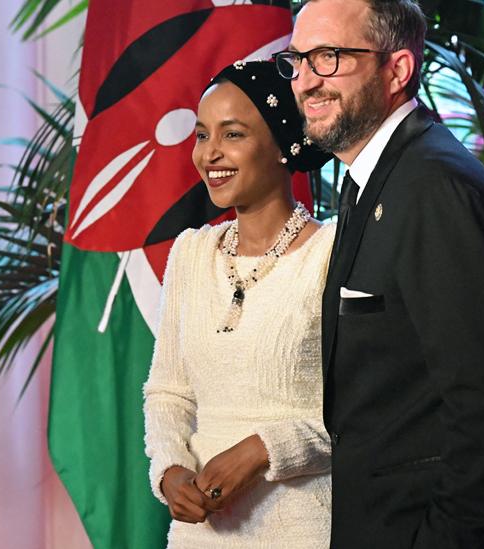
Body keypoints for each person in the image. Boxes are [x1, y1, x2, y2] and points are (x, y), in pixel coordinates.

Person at [274, 0, 484, 547]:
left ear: (398, 69)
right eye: (297, 60)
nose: (306, 81)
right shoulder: (374, 181)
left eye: (329, 57)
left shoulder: (437, 189)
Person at [142, 60, 333, 549]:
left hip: (304, 530)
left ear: (282, 145)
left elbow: (366, 411)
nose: (210, 154)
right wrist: (171, 470)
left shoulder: (332, 253)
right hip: (198, 534)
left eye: (233, 135)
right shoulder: (190, 253)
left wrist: (264, 449)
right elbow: (168, 391)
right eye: (202, 135)